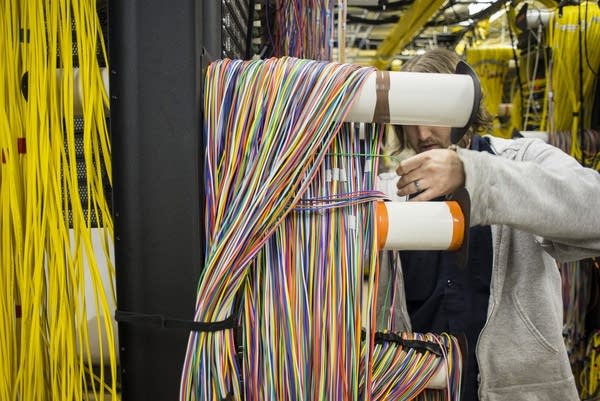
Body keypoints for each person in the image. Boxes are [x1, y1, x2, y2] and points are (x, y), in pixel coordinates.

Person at [384, 48, 600, 401]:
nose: (422, 133)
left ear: (466, 108)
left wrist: (473, 174)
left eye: (434, 114)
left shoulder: (522, 159)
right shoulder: (392, 195)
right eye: (411, 118)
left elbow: (594, 211)